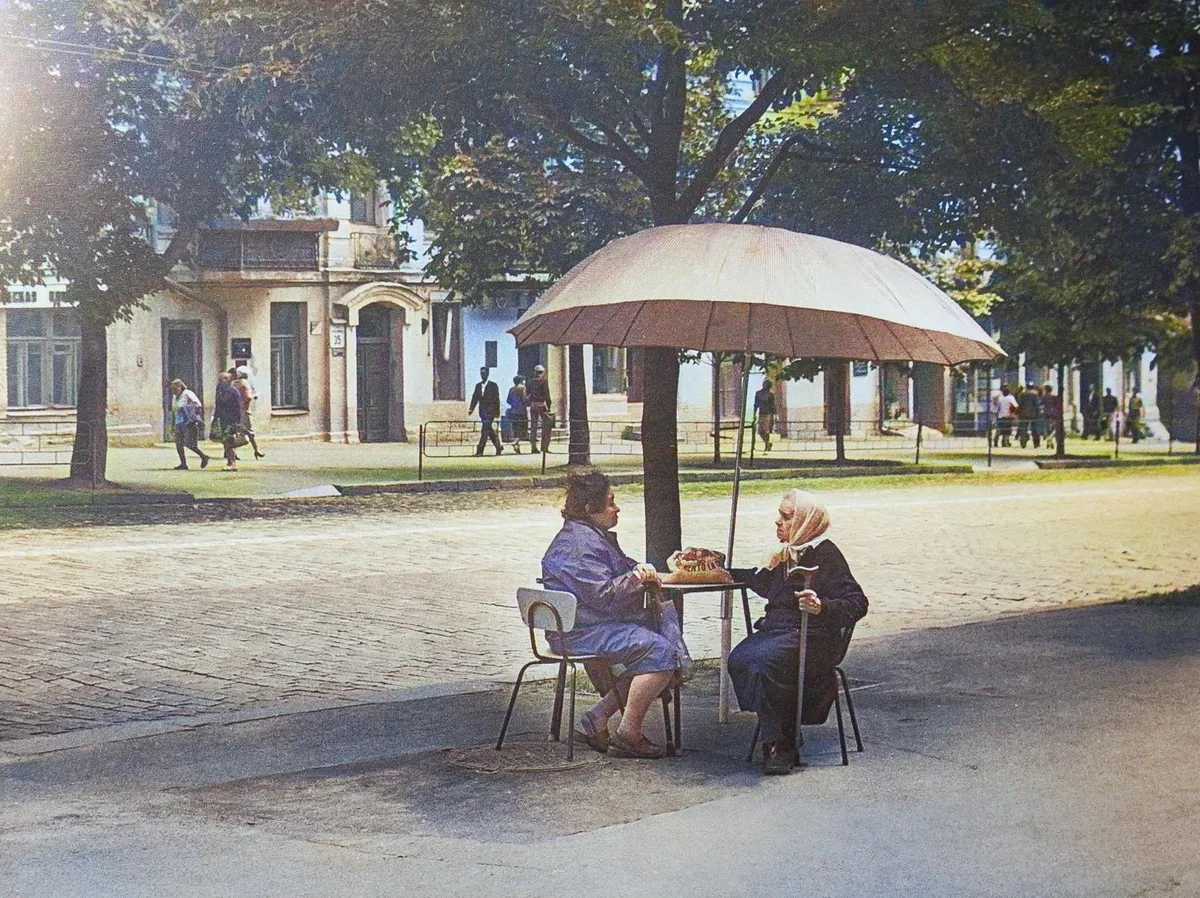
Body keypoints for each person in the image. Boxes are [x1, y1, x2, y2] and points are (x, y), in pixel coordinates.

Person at [541, 470, 689, 760]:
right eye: (610, 503)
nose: (616, 508)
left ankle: (596, 718)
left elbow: (616, 569)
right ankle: (628, 735)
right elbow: (604, 596)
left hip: (581, 626)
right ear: (589, 508)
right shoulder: (581, 544)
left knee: (659, 650)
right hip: (581, 632)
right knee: (662, 651)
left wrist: (638, 571)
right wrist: (637, 577)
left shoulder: (585, 536)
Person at [727, 489, 868, 774]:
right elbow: (762, 582)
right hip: (778, 633)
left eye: (787, 516)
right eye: (780, 515)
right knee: (739, 659)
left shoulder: (825, 554)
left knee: (763, 663)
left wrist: (821, 606)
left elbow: (857, 602)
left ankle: (781, 742)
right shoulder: (785, 554)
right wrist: (723, 572)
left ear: (806, 521)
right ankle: (780, 729)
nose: (778, 521)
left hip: (813, 636)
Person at [168, 379, 210, 471]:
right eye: (172, 389)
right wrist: (173, 425)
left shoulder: (187, 393)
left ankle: (203, 456)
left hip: (188, 422)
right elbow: (174, 411)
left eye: (175, 389)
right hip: (179, 423)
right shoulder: (174, 397)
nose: (174, 391)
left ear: (180, 387)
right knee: (179, 444)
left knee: (190, 444)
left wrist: (188, 409)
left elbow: (198, 405)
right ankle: (183, 463)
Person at [211, 371, 245, 471]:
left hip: (231, 420)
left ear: (228, 380)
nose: (220, 382)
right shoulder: (220, 391)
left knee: (229, 441)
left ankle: (232, 463)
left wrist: (239, 422)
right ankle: (230, 462)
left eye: (222, 380)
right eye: (219, 380)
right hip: (223, 419)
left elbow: (239, 407)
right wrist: (215, 419)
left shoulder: (233, 391)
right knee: (226, 441)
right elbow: (218, 405)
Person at [468, 366, 503, 456]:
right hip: (482, 411)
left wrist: (497, 411)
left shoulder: (493, 385)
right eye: (481, 373)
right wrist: (471, 408)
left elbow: (496, 399)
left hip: (490, 411)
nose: (482, 375)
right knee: (489, 430)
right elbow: (475, 397)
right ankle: (498, 447)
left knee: (484, 430)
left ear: (488, 374)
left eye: (484, 373)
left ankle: (480, 450)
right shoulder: (478, 386)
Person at [232, 366, 265, 459]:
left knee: (238, 431)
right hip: (245, 411)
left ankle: (233, 452)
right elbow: (248, 397)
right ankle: (256, 450)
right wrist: (254, 396)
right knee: (250, 431)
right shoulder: (245, 383)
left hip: (236, 410)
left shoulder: (234, 383)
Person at [527, 363, 553, 454]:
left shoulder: (530, 382)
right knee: (546, 427)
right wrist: (549, 407)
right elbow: (547, 396)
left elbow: (528, 394)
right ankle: (544, 447)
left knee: (533, 427)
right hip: (541, 404)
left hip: (533, 405)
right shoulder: (544, 382)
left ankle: (533, 447)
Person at [503, 375, 528, 454]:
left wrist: (514, 404)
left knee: (515, 429)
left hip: (513, 411)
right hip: (521, 411)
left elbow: (508, 400)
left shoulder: (511, 389)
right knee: (522, 428)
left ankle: (517, 445)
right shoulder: (523, 388)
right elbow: (524, 398)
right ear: (521, 381)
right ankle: (516, 442)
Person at [753, 378, 778, 452]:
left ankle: (767, 445)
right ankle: (768, 443)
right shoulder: (758, 393)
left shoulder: (771, 395)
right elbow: (756, 404)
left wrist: (775, 415)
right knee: (760, 431)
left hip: (768, 414)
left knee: (767, 431)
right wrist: (754, 414)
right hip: (761, 414)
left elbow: (773, 405)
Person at [1016, 384, 1042, 449]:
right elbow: (1037, 405)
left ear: (1026, 388)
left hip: (1023, 414)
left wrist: (1018, 412)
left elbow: (1019, 404)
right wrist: (1038, 413)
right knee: (1034, 429)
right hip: (1033, 415)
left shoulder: (1022, 395)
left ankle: (1023, 442)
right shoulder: (1035, 395)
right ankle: (1036, 443)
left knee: (1023, 429)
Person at [1040, 384, 1061, 451]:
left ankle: (1049, 439)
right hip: (1053, 414)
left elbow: (1040, 404)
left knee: (1046, 428)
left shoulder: (1043, 397)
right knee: (1053, 429)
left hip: (1046, 414)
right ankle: (1050, 439)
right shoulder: (1054, 397)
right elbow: (1057, 405)